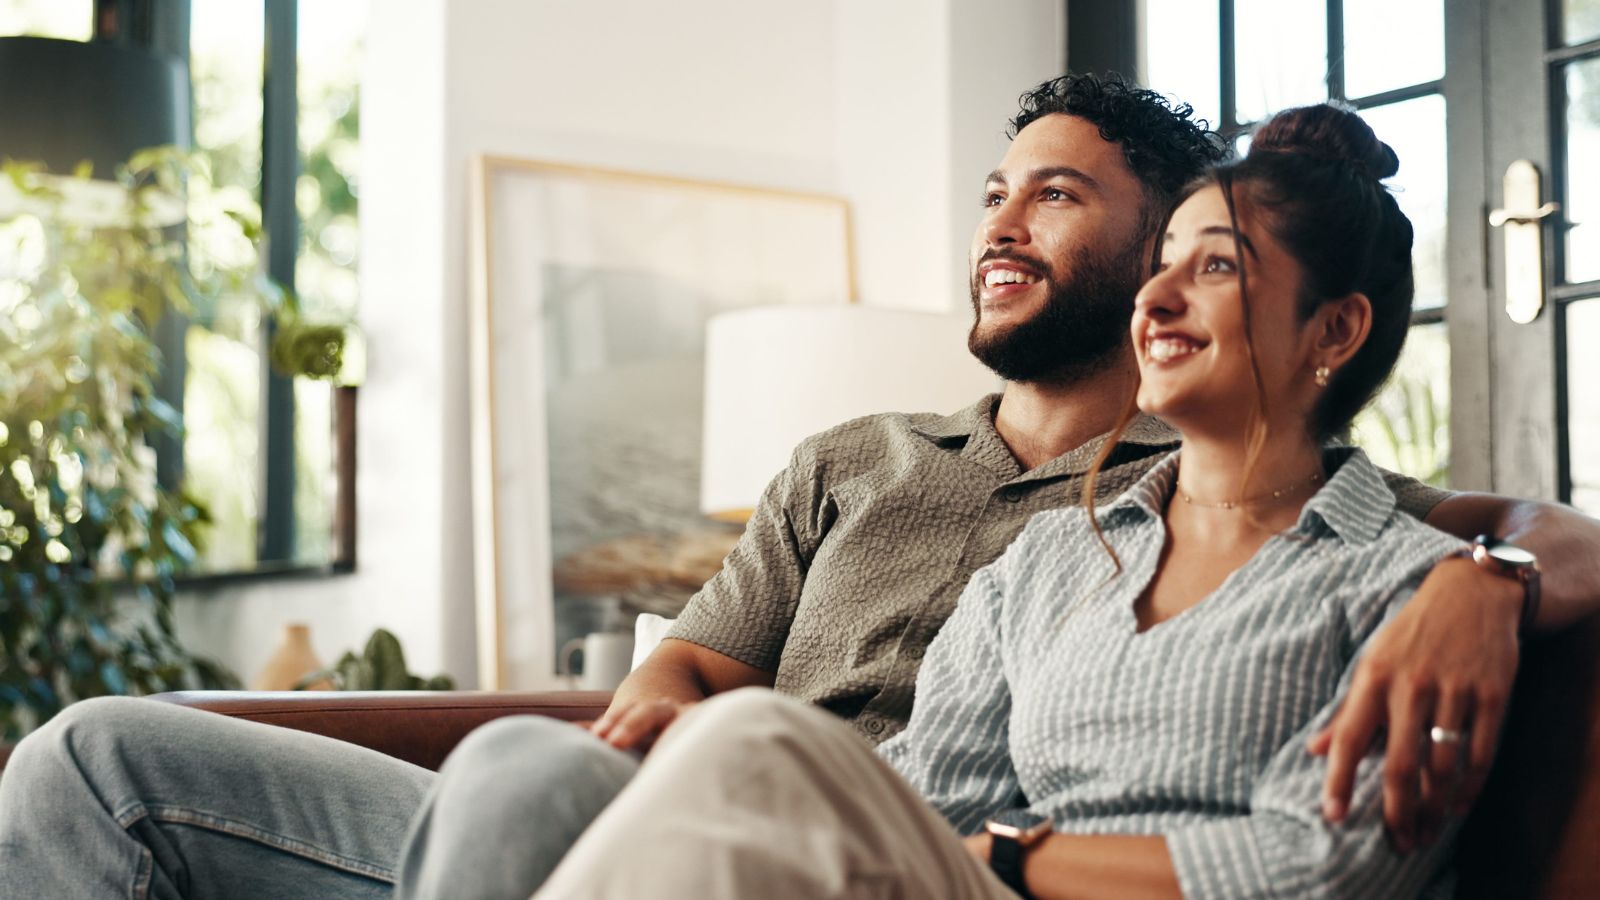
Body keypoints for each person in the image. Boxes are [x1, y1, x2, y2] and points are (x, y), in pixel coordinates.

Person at [1, 74, 1596, 900]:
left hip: (842, 845)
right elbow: (718, 679)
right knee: (89, 762)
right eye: (994, 192)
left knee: (525, 778)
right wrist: (681, 718)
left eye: (1058, 195)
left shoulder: (1330, 534)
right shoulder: (882, 475)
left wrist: (1499, 578)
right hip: (727, 816)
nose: (1002, 224)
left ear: (1326, 326)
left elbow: (1512, 547)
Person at [530, 102, 1484, 899]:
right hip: (904, 860)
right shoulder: (1049, 560)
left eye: (1217, 266)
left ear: (1336, 329)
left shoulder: (1406, 575)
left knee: (743, 745)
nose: (1157, 302)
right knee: (521, 770)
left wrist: (1491, 578)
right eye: (1168, 267)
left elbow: (1313, 866)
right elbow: (933, 795)